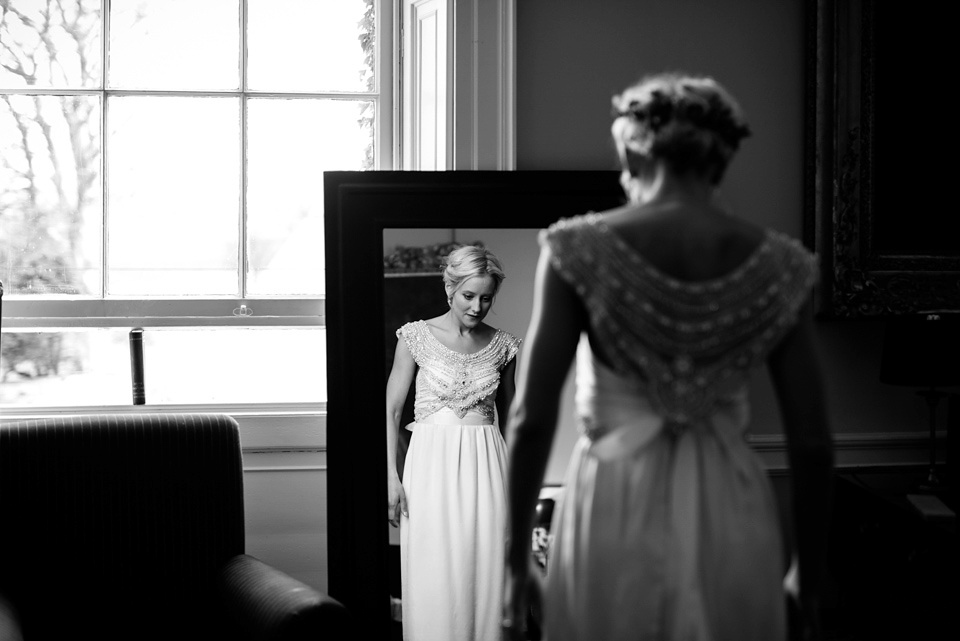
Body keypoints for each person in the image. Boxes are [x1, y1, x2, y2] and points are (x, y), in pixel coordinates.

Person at [502, 72, 834, 641]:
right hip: (733, 509)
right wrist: (811, 571)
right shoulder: (784, 266)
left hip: (611, 500)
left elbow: (531, 420)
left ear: (633, 149)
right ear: (721, 159)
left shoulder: (576, 249)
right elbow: (811, 441)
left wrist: (514, 563)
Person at [386, 245, 522, 641]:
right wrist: (390, 479)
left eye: (486, 298)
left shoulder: (505, 346)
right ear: (449, 288)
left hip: (488, 466)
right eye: (468, 296)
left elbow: (513, 422)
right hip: (429, 467)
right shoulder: (415, 337)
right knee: (433, 571)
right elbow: (392, 412)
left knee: (485, 568)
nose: (478, 307)